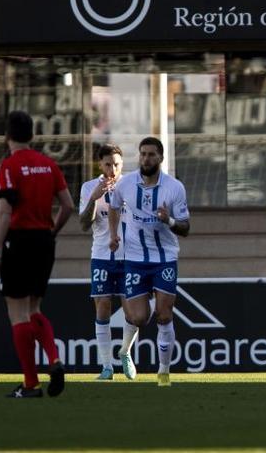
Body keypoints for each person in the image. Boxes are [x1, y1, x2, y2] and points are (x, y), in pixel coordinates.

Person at [0, 111, 74, 398]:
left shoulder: (9, 166)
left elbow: (4, 212)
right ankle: (54, 359)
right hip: (44, 242)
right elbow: (68, 205)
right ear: (32, 136)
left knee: (18, 314)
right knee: (34, 309)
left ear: (7, 136)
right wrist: (52, 232)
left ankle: (31, 384)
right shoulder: (49, 164)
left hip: (18, 242)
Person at [107, 137, 190, 387]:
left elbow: (185, 228)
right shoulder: (126, 184)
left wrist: (170, 221)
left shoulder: (174, 188)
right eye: (143, 154)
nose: (146, 159)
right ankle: (125, 351)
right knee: (140, 318)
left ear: (161, 158)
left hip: (164, 258)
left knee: (164, 315)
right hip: (134, 258)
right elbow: (113, 207)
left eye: (151, 154)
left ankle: (163, 372)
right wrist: (113, 234)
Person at [79, 144, 127, 381]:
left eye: (116, 164)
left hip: (130, 257)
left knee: (134, 312)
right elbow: (83, 223)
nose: (112, 169)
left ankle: (125, 351)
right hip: (100, 256)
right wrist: (94, 198)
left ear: (122, 164)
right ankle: (107, 367)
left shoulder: (131, 185)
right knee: (103, 306)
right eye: (108, 164)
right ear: (100, 164)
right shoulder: (89, 187)